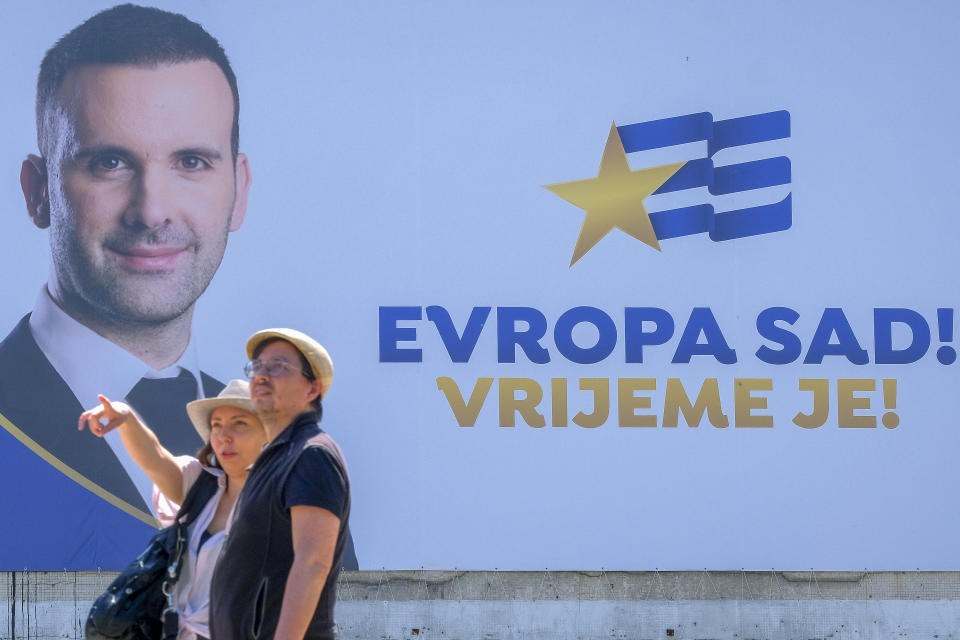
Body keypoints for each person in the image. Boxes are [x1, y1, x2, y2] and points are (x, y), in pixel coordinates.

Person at [0, 4, 250, 568]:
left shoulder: (276, 447)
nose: (152, 210)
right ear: (38, 192)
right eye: (110, 162)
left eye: (190, 161)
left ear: (239, 190)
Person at [80, 379, 264, 640]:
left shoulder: (283, 501)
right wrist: (127, 418)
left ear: (269, 432)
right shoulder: (200, 484)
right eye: (216, 425)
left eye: (240, 423)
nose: (224, 436)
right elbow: (155, 457)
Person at [211, 329, 351, 640]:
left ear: (312, 389)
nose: (260, 375)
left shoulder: (312, 455)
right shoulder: (272, 459)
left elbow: (313, 564)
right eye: (256, 366)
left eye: (276, 367)